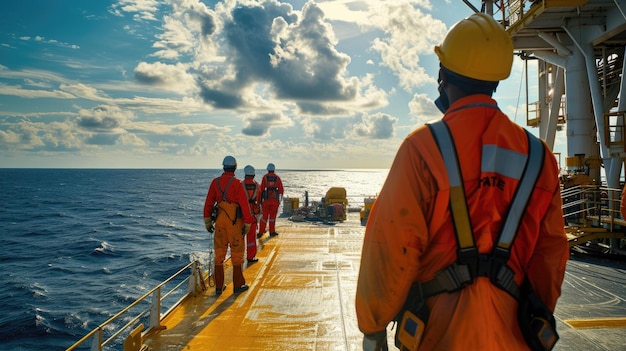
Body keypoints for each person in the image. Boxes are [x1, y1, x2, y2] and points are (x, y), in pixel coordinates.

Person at [355, 13, 569, 350]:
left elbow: (390, 246)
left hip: (441, 334)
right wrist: (530, 309)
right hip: (513, 334)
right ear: (497, 79)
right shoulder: (539, 158)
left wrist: (373, 325)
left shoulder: (422, 149)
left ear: (443, 76)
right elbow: (550, 254)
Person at [203, 155, 255, 295]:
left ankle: (219, 287)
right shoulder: (237, 184)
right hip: (234, 222)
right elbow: (245, 206)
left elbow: (208, 203)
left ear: (223, 167)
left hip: (220, 221)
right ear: (235, 168)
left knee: (219, 254)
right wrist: (248, 223)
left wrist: (208, 221)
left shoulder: (215, 182)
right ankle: (238, 285)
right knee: (237, 254)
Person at [258, 163, 284, 238]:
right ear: (274, 169)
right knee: (272, 218)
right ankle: (272, 232)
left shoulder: (265, 177)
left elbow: (261, 189)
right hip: (274, 201)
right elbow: (281, 190)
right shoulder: (277, 178)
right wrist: (279, 200)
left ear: (268, 169)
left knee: (264, 217)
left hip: (266, 201)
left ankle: (261, 232)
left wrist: (260, 200)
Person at [243, 165, 261, 264]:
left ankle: (238, 257)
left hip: (241, 216)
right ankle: (250, 257)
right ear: (254, 175)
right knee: (251, 238)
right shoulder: (258, 186)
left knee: (240, 238)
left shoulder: (240, 185)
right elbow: (259, 201)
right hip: (253, 216)